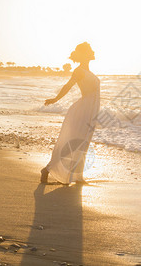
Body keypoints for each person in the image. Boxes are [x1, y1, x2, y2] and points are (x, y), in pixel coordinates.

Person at [40, 42, 100, 184]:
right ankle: (47, 169)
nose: (93, 52)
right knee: (77, 143)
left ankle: (78, 176)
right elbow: (68, 86)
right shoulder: (79, 71)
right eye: (90, 50)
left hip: (91, 110)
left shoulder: (88, 71)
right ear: (85, 54)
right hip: (83, 109)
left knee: (84, 142)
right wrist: (55, 99)